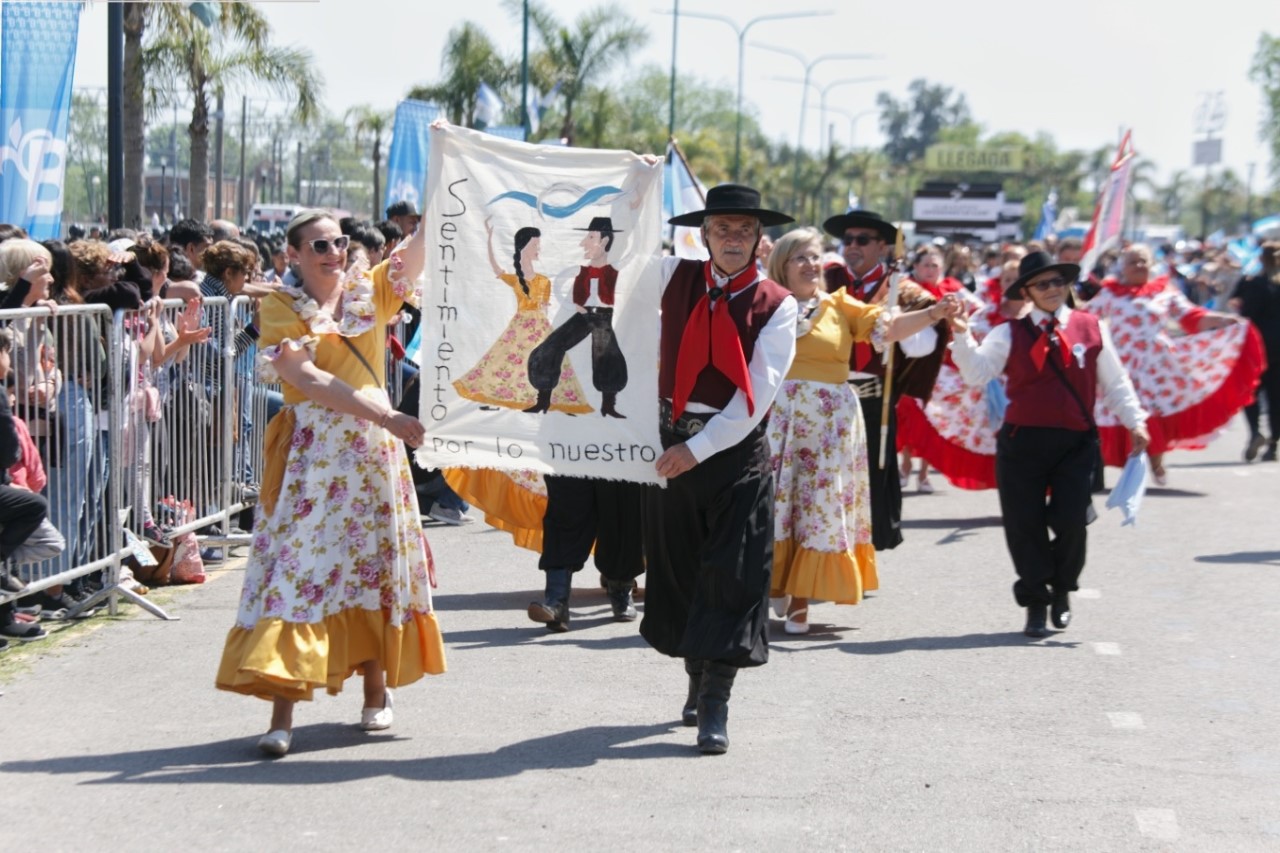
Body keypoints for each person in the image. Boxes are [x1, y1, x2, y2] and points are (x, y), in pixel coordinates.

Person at [215, 210, 445, 757]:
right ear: (293, 254)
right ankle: (282, 714)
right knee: (298, 570)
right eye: (318, 245)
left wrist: (443, 187)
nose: (333, 252)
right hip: (315, 456)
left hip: (372, 456)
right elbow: (306, 378)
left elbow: (419, 248)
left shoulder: (374, 290)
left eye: (339, 241)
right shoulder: (280, 306)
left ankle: (376, 692)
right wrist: (385, 414)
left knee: (374, 565)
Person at [642, 184, 797, 755]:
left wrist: (699, 448)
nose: (733, 239)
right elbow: (610, 266)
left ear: (759, 240)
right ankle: (694, 674)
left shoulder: (778, 304)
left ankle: (715, 702)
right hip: (669, 443)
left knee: (733, 575)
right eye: (722, 229)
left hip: (733, 452)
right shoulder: (670, 276)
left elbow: (756, 394)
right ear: (703, 234)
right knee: (678, 571)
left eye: (744, 230)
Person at [764, 228, 962, 635]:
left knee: (818, 507)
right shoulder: (765, 304)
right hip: (780, 422)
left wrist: (934, 313)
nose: (811, 264)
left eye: (815, 256)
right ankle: (777, 579)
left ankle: (801, 599)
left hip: (830, 425)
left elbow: (888, 329)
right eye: (800, 257)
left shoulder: (840, 305)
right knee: (778, 504)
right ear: (782, 264)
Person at [949, 252, 1150, 638]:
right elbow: (976, 373)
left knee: (1072, 521)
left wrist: (1135, 422)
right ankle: (1036, 602)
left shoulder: (1092, 327)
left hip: (1075, 442)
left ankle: (1062, 589)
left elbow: (1115, 381)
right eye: (1043, 284)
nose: (1053, 289)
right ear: (1026, 292)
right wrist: (961, 334)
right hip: (1022, 441)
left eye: (1059, 281)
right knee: (1024, 525)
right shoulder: (1009, 332)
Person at [1081, 243, 1262, 485]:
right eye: (1133, 262)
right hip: (1123, 365)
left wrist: (1223, 320)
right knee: (1124, 412)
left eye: (1143, 261)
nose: (1139, 266)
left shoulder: (1164, 291)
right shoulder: (1109, 294)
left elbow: (1191, 316)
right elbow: (1085, 319)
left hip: (1157, 366)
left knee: (1152, 412)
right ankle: (1130, 469)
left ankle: (1156, 463)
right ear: (1122, 267)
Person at [822, 210, 948, 550]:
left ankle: (866, 550)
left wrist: (898, 325)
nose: (853, 246)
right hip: (827, 395)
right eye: (848, 239)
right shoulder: (825, 282)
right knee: (826, 478)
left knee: (872, 479)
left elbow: (924, 347)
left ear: (882, 247)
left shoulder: (901, 290)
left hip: (874, 399)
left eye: (862, 240)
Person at [453, 222, 592, 413]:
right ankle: (500, 397)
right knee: (506, 360)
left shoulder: (543, 280)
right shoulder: (516, 279)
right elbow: (496, 268)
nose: (538, 249)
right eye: (535, 245)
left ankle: (548, 400)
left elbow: (544, 309)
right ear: (523, 247)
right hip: (519, 325)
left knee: (545, 359)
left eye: (538, 245)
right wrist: (489, 238)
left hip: (539, 327)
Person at [525, 217, 628, 417]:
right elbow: (563, 285)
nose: (584, 243)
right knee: (550, 347)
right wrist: (575, 306)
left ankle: (608, 405)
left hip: (602, 317)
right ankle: (543, 400)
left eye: (591, 237)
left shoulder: (614, 271)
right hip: (583, 316)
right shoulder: (582, 271)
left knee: (608, 354)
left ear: (605, 241)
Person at [1229, 241, 1280, 462]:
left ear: (1260, 258)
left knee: (1251, 390)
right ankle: (1274, 443)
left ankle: (1255, 432)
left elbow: (1245, 312)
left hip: (1258, 345)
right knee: (1276, 396)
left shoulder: (1254, 283)